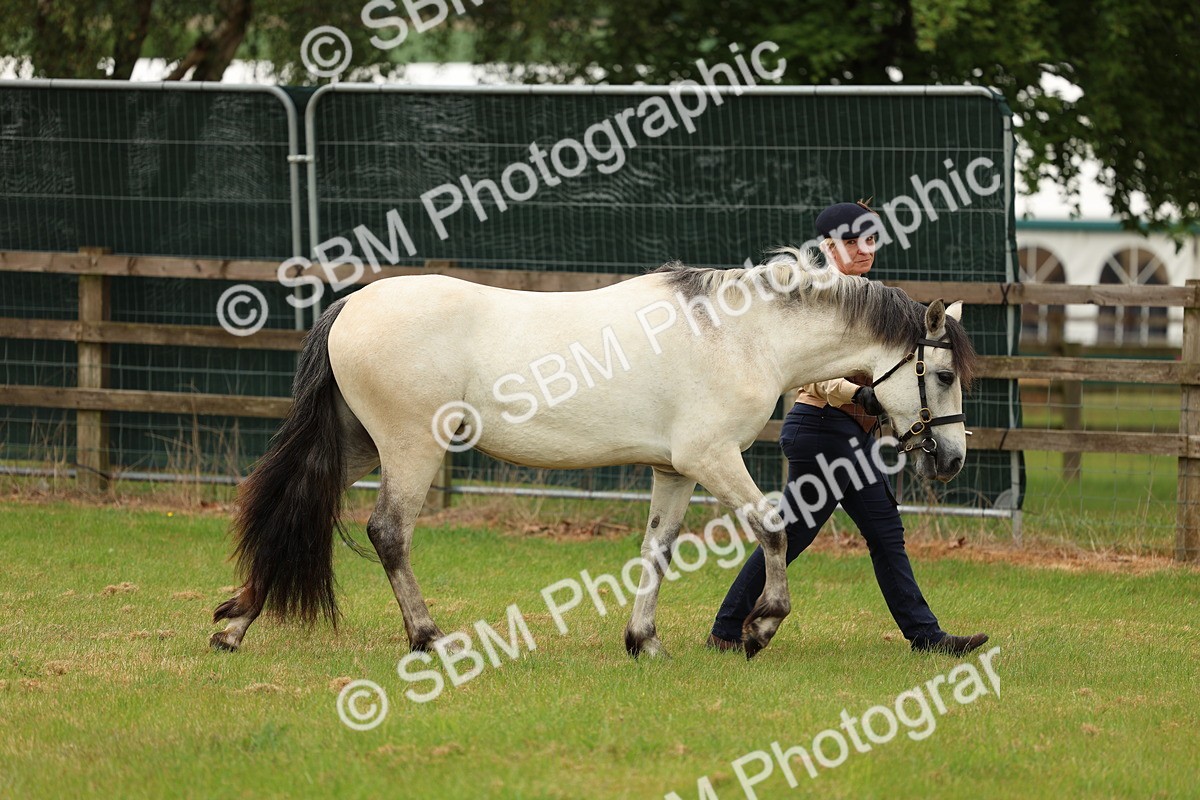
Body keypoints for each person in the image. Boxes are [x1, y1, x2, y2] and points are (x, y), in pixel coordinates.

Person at [706, 201, 989, 656]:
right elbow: (812, 370)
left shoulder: (868, 297)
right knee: (845, 531)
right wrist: (857, 395)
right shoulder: (822, 297)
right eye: (853, 241)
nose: (864, 250)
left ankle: (725, 629)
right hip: (821, 425)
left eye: (871, 240)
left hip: (848, 435)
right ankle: (926, 638)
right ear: (828, 247)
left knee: (865, 532)